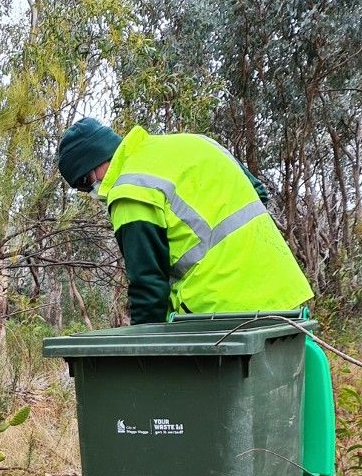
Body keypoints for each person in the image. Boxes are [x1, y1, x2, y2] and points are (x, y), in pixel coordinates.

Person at [56, 117, 313, 324]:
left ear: (95, 162)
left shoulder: (129, 191)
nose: (90, 191)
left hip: (220, 315)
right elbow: (259, 193)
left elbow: (148, 288)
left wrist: (142, 355)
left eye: (84, 183)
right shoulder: (195, 144)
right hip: (283, 295)